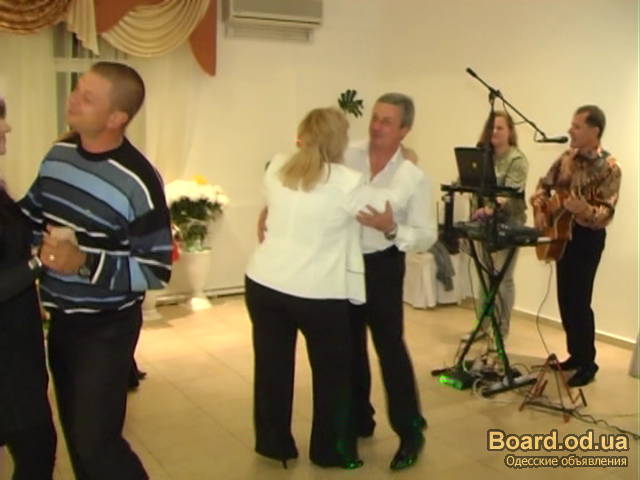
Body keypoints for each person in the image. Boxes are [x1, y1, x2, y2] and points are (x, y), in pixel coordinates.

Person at [20, 62, 173, 479]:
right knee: (77, 439)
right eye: (77, 90)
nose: (73, 99)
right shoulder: (58, 156)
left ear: (116, 117)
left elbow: (155, 270)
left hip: (107, 328)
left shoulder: (138, 181)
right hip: (61, 319)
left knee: (97, 443)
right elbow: (29, 217)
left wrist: (84, 262)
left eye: (87, 97)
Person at [246, 107, 368, 469]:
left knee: (272, 369)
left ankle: (274, 444)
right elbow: (377, 215)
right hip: (319, 292)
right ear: (339, 141)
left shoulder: (277, 166)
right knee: (333, 374)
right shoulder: (349, 181)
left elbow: (273, 207)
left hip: (265, 283)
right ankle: (329, 451)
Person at [344, 93, 437, 470]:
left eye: (386, 121)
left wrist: (392, 228)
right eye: (375, 117)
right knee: (349, 348)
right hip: (342, 264)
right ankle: (357, 420)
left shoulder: (412, 176)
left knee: (390, 350)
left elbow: (426, 235)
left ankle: (410, 431)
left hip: (383, 264)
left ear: (404, 130)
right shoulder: (346, 155)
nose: (376, 126)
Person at [530, 105, 620, 387]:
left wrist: (585, 210)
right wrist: (541, 209)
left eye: (577, 126)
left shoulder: (610, 167)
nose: (570, 130)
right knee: (565, 299)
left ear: (595, 131)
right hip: (561, 233)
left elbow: (607, 211)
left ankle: (588, 362)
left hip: (587, 238)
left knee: (580, 300)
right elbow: (542, 187)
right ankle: (575, 355)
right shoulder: (565, 158)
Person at [0, 96, 57, 479]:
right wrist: (40, 262)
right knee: (37, 447)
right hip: (6, 359)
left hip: (16, 345)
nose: (7, 127)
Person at [463, 111, 529, 341]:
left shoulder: (517, 160)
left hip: (508, 224)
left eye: (500, 127)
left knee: (502, 279)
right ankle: (482, 326)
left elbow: (508, 195)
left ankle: (500, 331)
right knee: (484, 275)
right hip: (483, 224)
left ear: (510, 131)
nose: (495, 132)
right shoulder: (483, 156)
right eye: (492, 127)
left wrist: (490, 209)